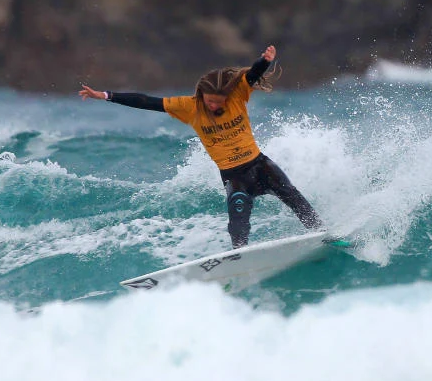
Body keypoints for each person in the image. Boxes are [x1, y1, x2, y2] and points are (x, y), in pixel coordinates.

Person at [79, 45, 324, 248]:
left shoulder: (238, 94)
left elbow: (251, 76)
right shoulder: (189, 107)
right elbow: (146, 101)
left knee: (294, 198)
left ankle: (323, 235)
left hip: (260, 164)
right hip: (234, 175)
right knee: (238, 221)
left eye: (220, 103)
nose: (215, 106)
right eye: (211, 102)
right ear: (202, 96)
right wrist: (106, 95)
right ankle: (240, 256)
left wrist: (264, 61)